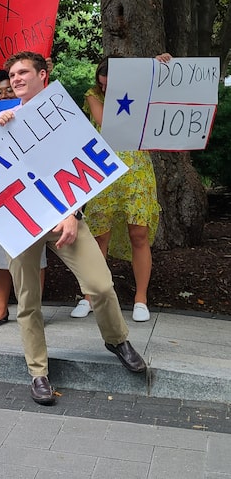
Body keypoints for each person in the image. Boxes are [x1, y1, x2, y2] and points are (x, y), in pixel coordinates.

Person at [0, 51, 146, 406]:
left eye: (23, 72)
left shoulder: (66, 114)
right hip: (21, 222)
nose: (15, 79)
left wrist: (73, 212)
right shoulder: (3, 118)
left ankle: (117, 339)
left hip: (64, 217)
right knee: (28, 299)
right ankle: (38, 372)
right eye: (12, 74)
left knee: (100, 285)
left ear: (42, 75)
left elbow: (83, 165)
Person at [71, 56, 165, 323]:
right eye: (102, 85)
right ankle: (91, 297)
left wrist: (154, 68)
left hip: (137, 171)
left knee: (139, 234)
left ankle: (141, 299)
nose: (104, 89)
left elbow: (163, 100)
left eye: (110, 85)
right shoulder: (93, 96)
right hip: (104, 170)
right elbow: (106, 122)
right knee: (99, 236)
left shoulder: (139, 94)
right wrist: (127, 94)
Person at [0, 69, 44, 328]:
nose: (7, 93)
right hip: (2, 193)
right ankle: (1, 307)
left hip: (35, 192)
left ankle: (33, 309)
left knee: (35, 256)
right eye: (1, 90)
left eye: (12, 86)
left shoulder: (43, 111)